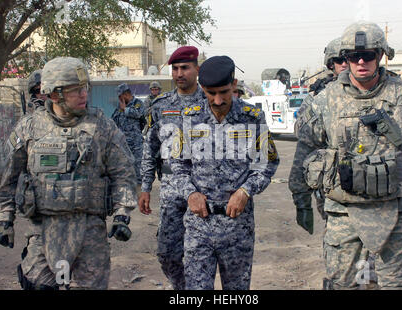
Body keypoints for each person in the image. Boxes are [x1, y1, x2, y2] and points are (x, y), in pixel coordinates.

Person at [289, 21, 402, 290]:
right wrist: (301, 199)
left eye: (368, 55)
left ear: (381, 55)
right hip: (344, 213)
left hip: (397, 210)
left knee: (396, 286)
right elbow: (305, 151)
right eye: (352, 56)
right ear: (344, 58)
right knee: (344, 284)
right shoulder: (325, 101)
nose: (360, 61)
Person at [0, 57, 137, 290]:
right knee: (38, 284)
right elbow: (9, 178)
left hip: (89, 229)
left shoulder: (102, 126)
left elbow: (124, 173)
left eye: (85, 88)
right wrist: (5, 220)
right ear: (55, 94)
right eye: (75, 90)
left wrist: (122, 214)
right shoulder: (29, 128)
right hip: (43, 229)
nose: (83, 95)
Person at [169, 55, 279, 290]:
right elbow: (177, 166)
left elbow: (266, 165)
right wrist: (190, 194)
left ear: (234, 85)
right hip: (199, 225)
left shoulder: (252, 118)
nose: (218, 100)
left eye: (224, 92)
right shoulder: (189, 118)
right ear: (202, 89)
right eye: (211, 93)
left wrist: (245, 191)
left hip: (237, 227)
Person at [138, 46, 205, 290]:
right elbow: (150, 149)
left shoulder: (211, 101)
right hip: (170, 191)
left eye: (185, 68)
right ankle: (182, 288)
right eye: (175, 68)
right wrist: (145, 187)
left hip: (203, 189)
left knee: (201, 254)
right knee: (167, 254)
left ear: (196, 69)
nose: (179, 73)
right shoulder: (160, 106)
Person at [296, 38, 350, 221]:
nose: (344, 64)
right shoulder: (319, 97)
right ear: (330, 64)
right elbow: (304, 139)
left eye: (347, 58)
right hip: (332, 182)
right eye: (338, 60)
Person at [111, 83, 147, 193]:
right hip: (123, 141)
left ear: (126, 94)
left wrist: (125, 109)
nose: (119, 99)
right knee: (124, 163)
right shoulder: (120, 106)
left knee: (137, 163)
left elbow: (139, 114)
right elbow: (114, 119)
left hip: (135, 141)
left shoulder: (137, 103)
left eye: (120, 96)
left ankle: (140, 188)